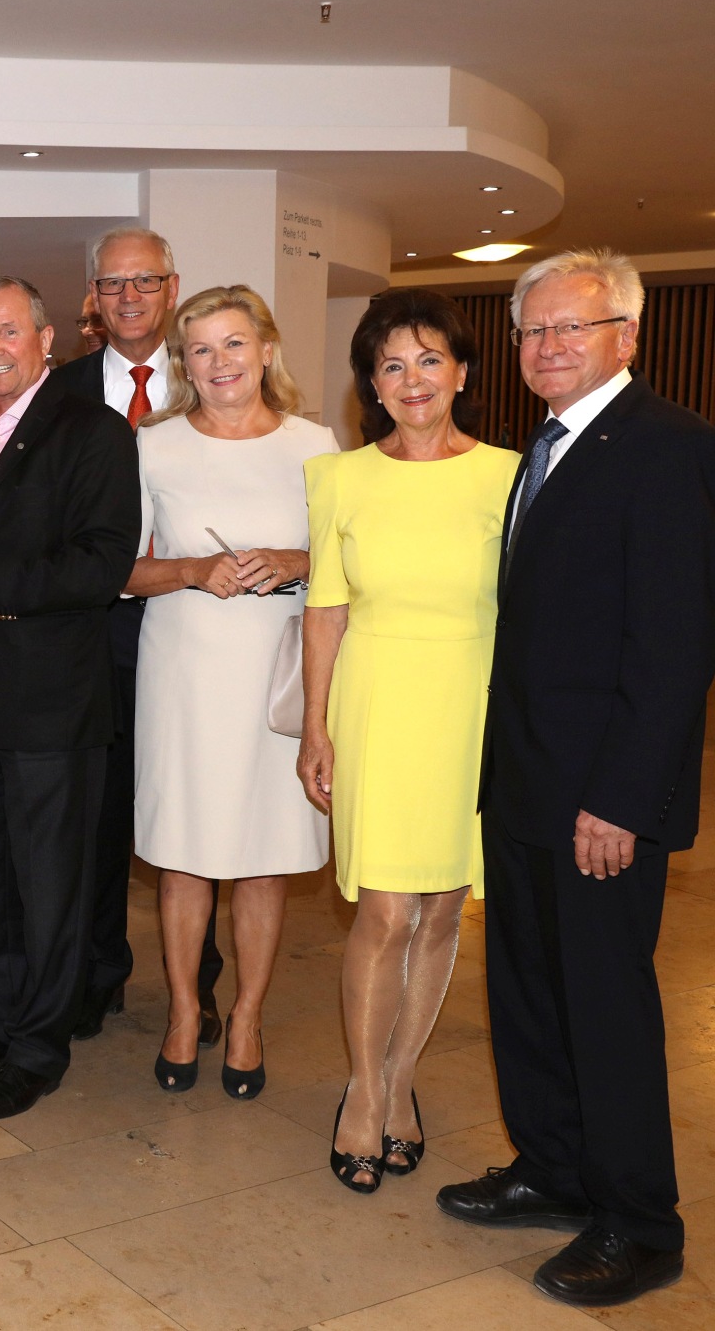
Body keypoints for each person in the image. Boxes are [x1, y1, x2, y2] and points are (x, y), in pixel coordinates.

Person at [437, 249, 715, 1308]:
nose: (546, 347)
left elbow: (672, 646)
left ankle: (640, 1221)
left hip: (596, 799)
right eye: (531, 331)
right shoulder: (541, 449)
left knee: (603, 1007)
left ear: (626, 336)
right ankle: (552, 1165)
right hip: (521, 786)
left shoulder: (667, 448)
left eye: (571, 327)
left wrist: (621, 798)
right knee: (525, 996)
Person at [300, 290, 517, 1192]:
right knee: (386, 909)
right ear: (372, 385)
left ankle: (401, 1080)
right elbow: (325, 607)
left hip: (474, 703)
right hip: (378, 702)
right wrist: (314, 724)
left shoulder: (512, 473)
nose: (413, 379)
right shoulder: (338, 478)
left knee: (440, 908)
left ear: (462, 372)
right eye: (393, 364)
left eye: (431, 360)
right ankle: (361, 1087)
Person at [0, 276, 140, 1120]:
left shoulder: (93, 434)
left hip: (52, 700)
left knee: (49, 884)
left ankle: (41, 1050)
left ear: (48, 340)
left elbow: (101, 566)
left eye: (8, 332)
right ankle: (2, 1022)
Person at [128, 284, 331, 1099]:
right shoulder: (154, 446)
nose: (220, 363)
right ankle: (184, 1011)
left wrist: (293, 561)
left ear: (267, 350)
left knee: (263, 860)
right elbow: (122, 569)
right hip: (183, 669)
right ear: (185, 364)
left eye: (234, 344)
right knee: (183, 859)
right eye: (201, 349)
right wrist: (192, 571)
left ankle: (246, 1017)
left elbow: (350, 563)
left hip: (276, 674)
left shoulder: (317, 446)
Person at [43, 227, 224, 1046]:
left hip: (198, 634)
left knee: (198, 815)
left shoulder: (214, 378)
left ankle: (201, 984)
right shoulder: (61, 392)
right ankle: (96, 972)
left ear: (172, 286)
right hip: (92, 637)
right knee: (97, 815)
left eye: (143, 282)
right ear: (93, 296)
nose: (127, 298)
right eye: (111, 284)